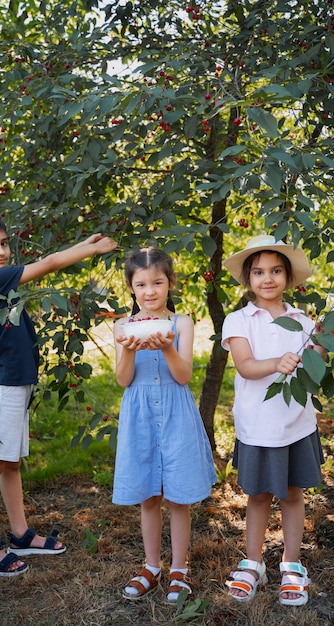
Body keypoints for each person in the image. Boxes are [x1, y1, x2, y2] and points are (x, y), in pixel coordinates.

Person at [0, 212, 117, 577]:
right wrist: (90, 249)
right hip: (3, 386)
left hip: (16, 384)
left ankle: (20, 535)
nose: (0, 251)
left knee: (10, 462)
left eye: (3, 243)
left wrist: (83, 245)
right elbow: (48, 264)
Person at [221, 234, 324, 607]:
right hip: (258, 425)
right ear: (248, 278)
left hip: (296, 422)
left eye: (276, 270)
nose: (268, 278)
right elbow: (246, 366)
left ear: (288, 277)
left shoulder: (303, 321)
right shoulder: (238, 320)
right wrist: (277, 362)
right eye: (260, 271)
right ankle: (253, 563)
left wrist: (324, 343)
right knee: (260, 494)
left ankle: (291, 563)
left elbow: (314, 367)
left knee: (293, 493)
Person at [112, 247, 216, 604]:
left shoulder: (181, 324)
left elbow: (184, 375)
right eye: (141, 284)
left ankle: (179, 570)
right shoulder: (121, 327)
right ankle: (152, 566)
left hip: (175, 416)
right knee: (149, 496)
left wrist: (168, 348)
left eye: (157, 282)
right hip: (140, 418)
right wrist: (128, 349)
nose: (150, 291)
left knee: (177, 496)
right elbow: (123, 380)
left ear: (170, 283)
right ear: (131, 288)